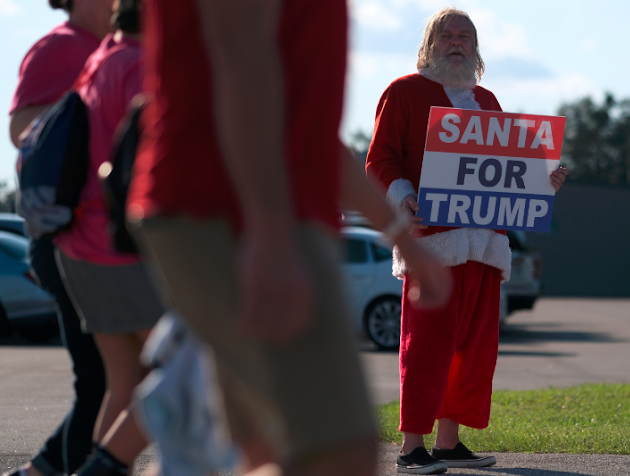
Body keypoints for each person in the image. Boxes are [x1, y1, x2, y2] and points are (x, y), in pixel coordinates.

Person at [125, 1, 450, 475]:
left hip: (232, 210)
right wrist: (270, 230)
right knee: (340, 455)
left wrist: (401, 234)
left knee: (263, 452)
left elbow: (312, 131)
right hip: (227, 209)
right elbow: (241, 55)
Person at [365, 7, 569, 474]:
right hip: (431, 243)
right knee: (427, 345)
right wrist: (404, 196)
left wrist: (541, 185)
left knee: (472, 348)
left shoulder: (488, 100)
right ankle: (411, 448)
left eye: (466, 36)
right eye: (447, 36)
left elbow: (502, 171)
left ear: (475, 48)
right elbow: (380, 160)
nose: (457, 43)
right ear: (429, 45)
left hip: (485, 246)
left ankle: (448, 443)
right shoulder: (404, 93)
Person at [50, 2, 163, 475]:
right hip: (120, 247)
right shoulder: (142, 67)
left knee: (123, 383)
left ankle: (98, 469)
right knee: (184, 374)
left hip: (78, 245)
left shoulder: (101, 59)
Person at [5, 1, 112, 475]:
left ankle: (40, 471)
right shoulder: (59, 48)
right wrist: (84, 116)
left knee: (108, 381)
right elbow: (20, 127)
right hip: (66, 238)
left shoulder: (111, 48)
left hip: (102, 238)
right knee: (101, 381)